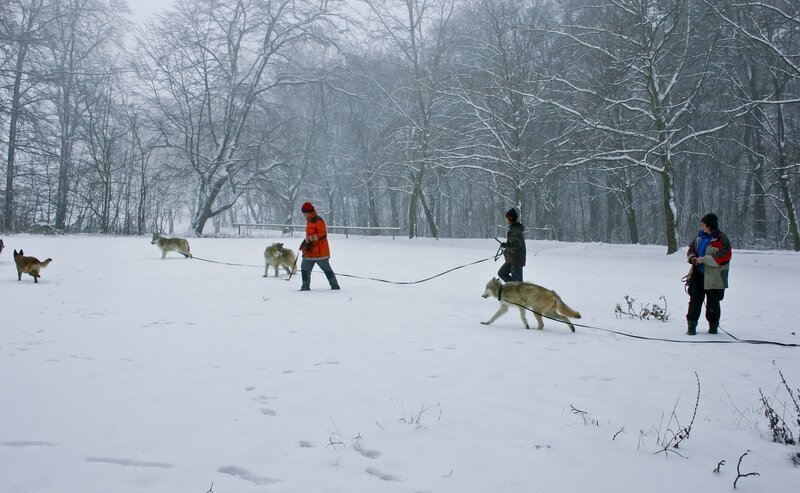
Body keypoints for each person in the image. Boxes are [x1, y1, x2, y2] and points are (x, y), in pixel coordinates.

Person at [685, 213, 731, 335]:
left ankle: (713, 327)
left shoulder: (722, 239)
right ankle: (691, 326)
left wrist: (704, 260)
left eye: (704, 225)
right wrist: (693, 258)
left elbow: (725, 257)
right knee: (694, 301)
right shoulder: (699, 237)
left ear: (710, 226)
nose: (702, 227)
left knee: (713, 304)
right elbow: (691, 249)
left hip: (714, 278)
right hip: (698, 275)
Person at [299, 201, 340, 291]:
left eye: (304, 213)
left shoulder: (318, 220)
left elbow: (323, 234)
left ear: (308, 212)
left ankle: (335, 286)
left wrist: (309, 239)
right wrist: (305, 244)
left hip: (320, 252)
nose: (303, 215)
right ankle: (305, 286)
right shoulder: (309, 221)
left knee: (326, 269)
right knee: (304, 267)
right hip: (310, 252)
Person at [498, 207, 526, 283]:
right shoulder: (513, 229)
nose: (505, 220)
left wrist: (507, 245)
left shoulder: (515, 230)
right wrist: (506, 246)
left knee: (518, 284)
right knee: (502, 273)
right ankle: (513, 288)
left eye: (506, 218)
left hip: (516, 260)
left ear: (510, 219)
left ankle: (516, 290)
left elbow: (516, 244)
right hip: (511, 259)